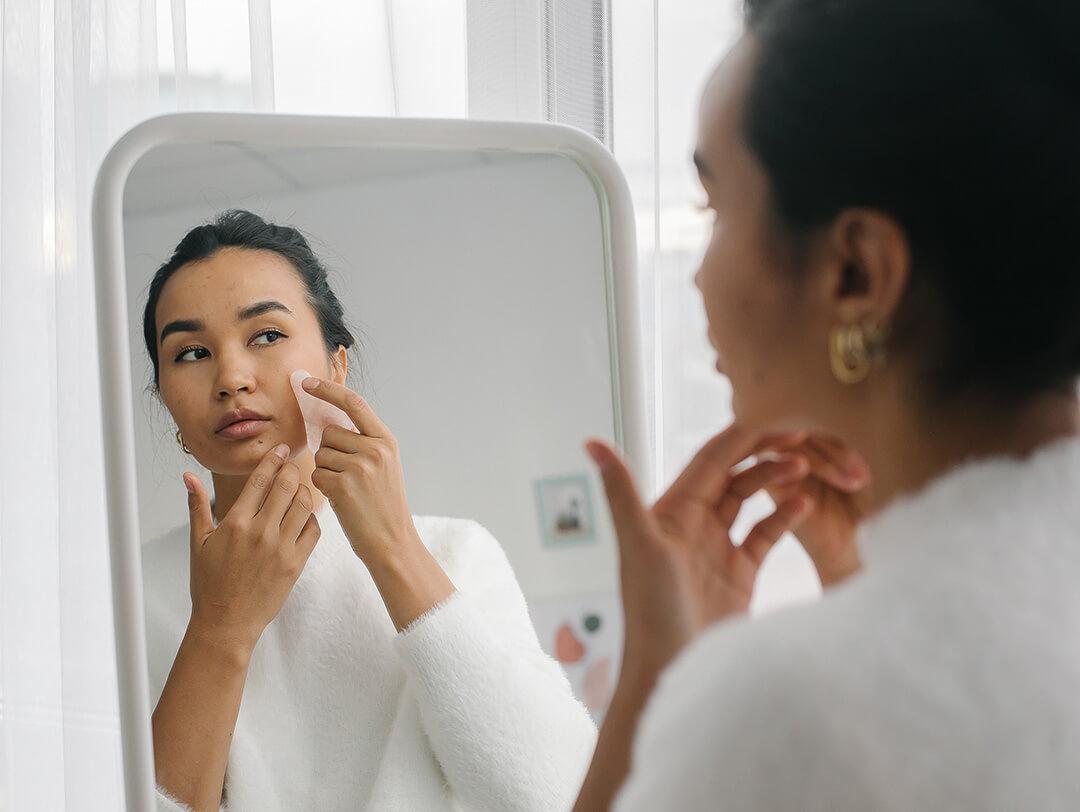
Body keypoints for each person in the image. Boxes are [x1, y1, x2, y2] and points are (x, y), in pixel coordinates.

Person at [573, 0, 1080, 808]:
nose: (699, 277)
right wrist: (861, 584)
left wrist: (658, 675)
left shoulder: (787, 706)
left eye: (715, 209)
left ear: (856, 273)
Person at [139, 209, 597, 811]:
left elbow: (555, 796)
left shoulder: (455, 554)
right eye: (191, 353)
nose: (231, 377)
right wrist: (219, 628)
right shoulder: (128, 594)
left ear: (336, 366)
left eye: (268, 335)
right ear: (166, 399)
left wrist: (394, 549)